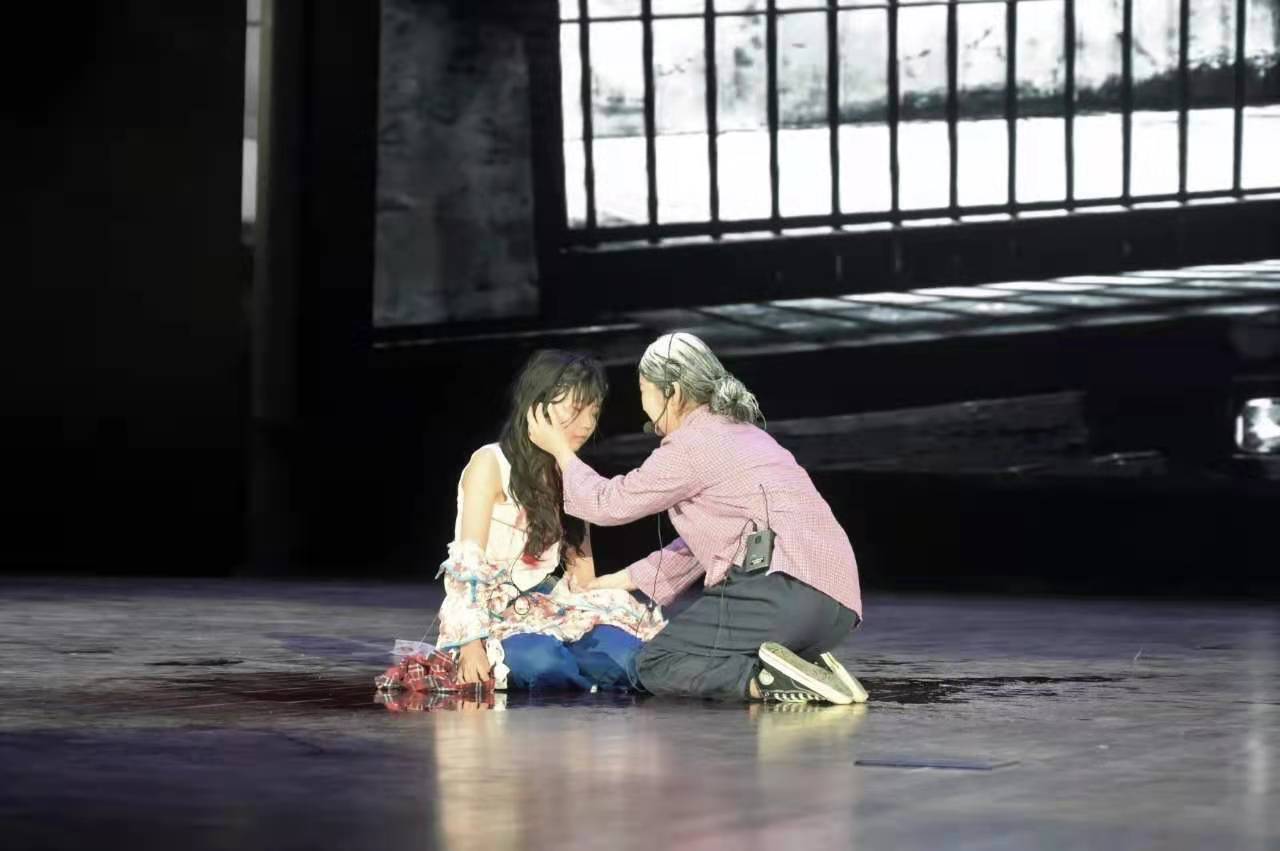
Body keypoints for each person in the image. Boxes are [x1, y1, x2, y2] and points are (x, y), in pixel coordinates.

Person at [528, 332, 868, 704]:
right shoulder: (752, 436)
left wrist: (561, 452)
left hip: (782, 595)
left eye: (644, 390)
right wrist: (615, 581)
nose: (643, 405)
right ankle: (809, 668)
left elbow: (608, 504)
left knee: (655, 663)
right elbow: (696, 548)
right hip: (837, 607)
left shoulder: (691, 444)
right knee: (700, 649)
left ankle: (765, 681)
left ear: (671, 392)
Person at [435, 350, 665, 691]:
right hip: (495, 615)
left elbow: (582, 577)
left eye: (593, 412)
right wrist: (470, 644)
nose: (586, 424)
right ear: (538, 406)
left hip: (552, 608)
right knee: (546, 665)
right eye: (575, 409)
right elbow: (467, 563)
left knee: (627, 657)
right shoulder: (491, 463)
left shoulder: (571, 472)